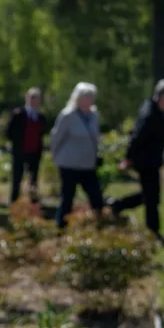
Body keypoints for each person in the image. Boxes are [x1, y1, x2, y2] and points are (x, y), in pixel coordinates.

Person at [109, 80, 164, 239]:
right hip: (146, 161)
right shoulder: (150, 113)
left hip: (150, 160)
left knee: (151, 196)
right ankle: (152, 232)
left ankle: (118, 205)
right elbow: (136, 136)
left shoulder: (155, 110)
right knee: (151, 197)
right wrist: (128, 158)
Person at [50, 82, 104, 228]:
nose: (89, 100)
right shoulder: (68, 115)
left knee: (96, 196)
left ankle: (99, 224)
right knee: (67, 198)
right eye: (86, 97)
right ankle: (61, 226)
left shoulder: (94, 115)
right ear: (78, 98)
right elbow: (56, 138)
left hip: (87, 164)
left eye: (91, 97)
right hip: (69, 163)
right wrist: (55, 156)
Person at [4, 87, 48, 204]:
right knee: (17, 177)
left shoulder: (40, 116)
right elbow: (8, 132)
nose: (34, 100)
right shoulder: (18, 114)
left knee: (33, 178)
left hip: (35, 152)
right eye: (32, 97)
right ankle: (14, 201)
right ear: (27, 99)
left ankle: (33, 202)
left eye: (36, 98)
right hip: (20, 151)